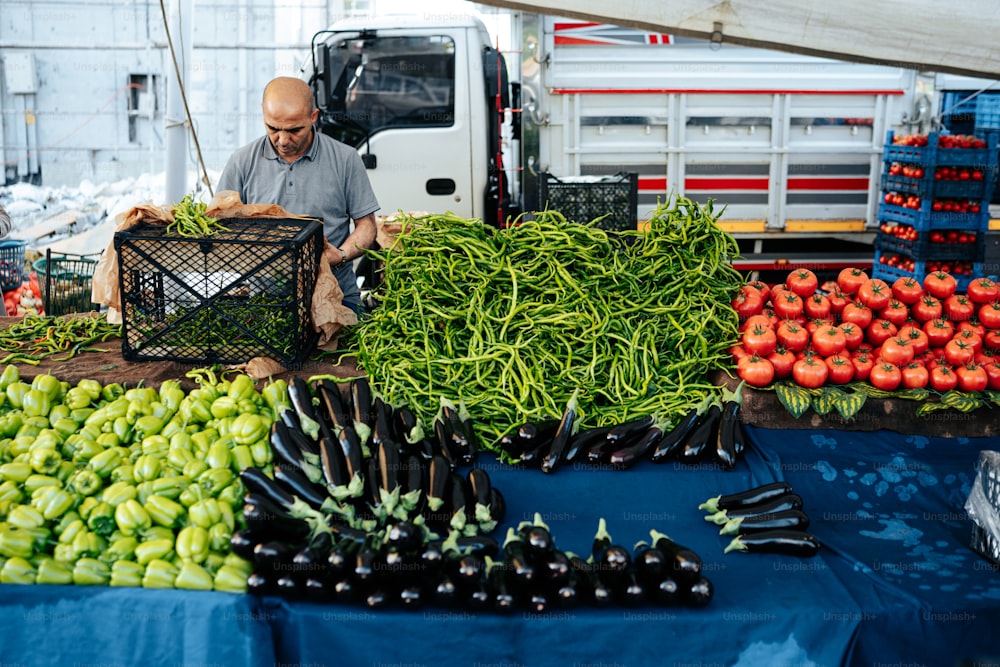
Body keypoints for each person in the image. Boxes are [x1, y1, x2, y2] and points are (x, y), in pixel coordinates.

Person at [218, 76, 380, 314]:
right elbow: (221, 225)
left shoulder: (345, 159)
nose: (283, 140)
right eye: (273, 128)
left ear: (313, 117)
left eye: (294, 130)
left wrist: (341, 255)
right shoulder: (241, 162)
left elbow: (367, 226)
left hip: (336, 294)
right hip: (266, 301)